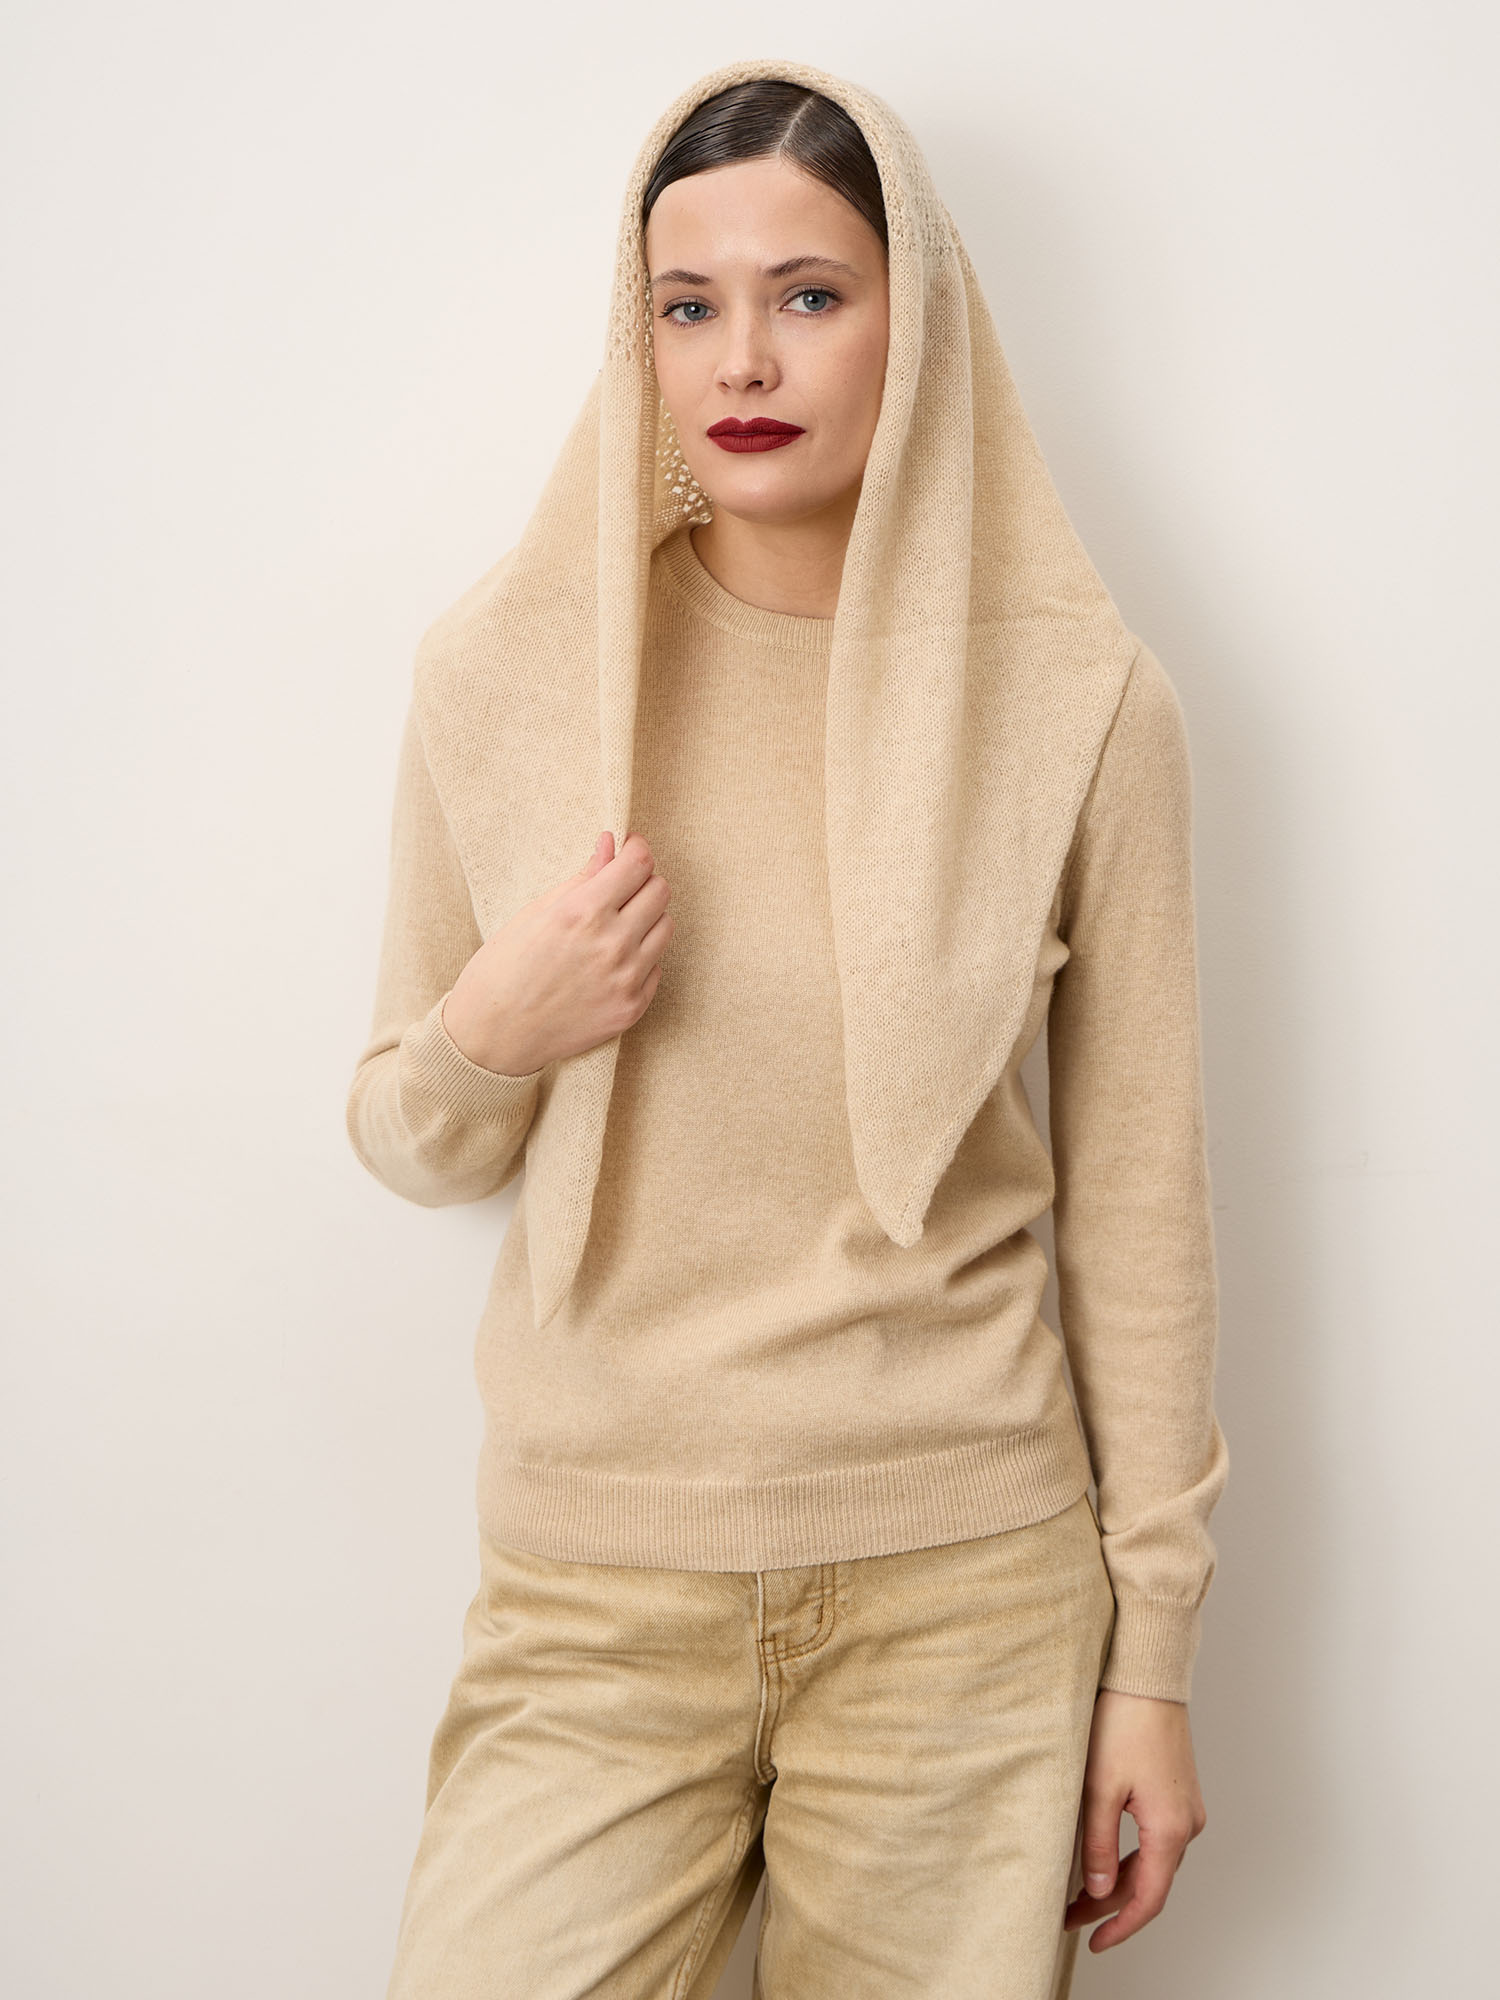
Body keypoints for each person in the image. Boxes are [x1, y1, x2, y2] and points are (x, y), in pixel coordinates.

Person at [346, 54, 1230, 2000]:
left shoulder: (1082, 705)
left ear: (921, 318)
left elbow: (1141, 1211)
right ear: (641, 337)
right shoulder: (501, 675)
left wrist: (1152, 1664)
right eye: (690, 304)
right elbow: (407, 1130)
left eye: (809, 293)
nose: (743, 356)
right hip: (595, 1591)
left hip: (966, 1592)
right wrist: (495, 1028)